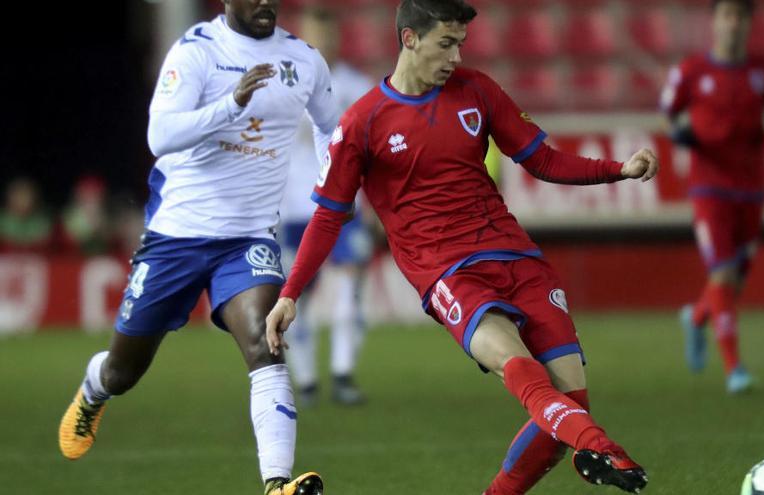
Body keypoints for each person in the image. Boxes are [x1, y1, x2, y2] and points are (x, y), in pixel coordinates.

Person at [266, 1, 659, 493]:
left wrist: (615, 170)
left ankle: (558, 456)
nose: (455, 58)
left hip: (518, 259)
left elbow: (543, 161)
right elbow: (328, 217)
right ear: (409, 39)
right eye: (445, 44)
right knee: (522, 372)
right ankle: (603, 448)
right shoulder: (363, 122)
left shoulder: (477, 90)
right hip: (449, 274)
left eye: (460, 45)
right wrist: (290, 293)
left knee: (568, 405)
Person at [58, 1, 337, 493]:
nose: (266, 2)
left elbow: (329, 127)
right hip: (176, 238)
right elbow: (159, 134)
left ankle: (277, 483)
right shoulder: (196, 52)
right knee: (125, 369)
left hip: (248, 237)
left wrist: (328, 183)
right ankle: (94, 388)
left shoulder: (305, 60)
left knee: (265, 344)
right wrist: (230, 104)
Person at [661, 0, 764, 393]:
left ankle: (695, 317)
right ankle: (734, 369)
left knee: (733, 283)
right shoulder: (693, 70)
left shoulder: (762, 70)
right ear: (715, 23)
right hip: (709, 187)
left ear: (749, 24)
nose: (734, 25)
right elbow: (669, 108)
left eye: (741, 17)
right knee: (723, 273)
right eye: (727, 16)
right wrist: (679, 132)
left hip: (752, 187)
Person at [279, 7, 375, 407]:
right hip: (290, 209)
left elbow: (371, 155)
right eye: (317, 35)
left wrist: (371, 205)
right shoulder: (284, 84)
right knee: (295, 297)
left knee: (350, 286)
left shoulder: (358, 86)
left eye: (330, 36)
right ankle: (306, 381)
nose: (324, 44)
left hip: (342, 207)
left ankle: (342, 373)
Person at [0, 177, 53, 254]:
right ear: (8, 197)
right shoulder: (2, 219)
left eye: (26, 195)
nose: (22, 200)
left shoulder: (43, 222)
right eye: (17, 195)